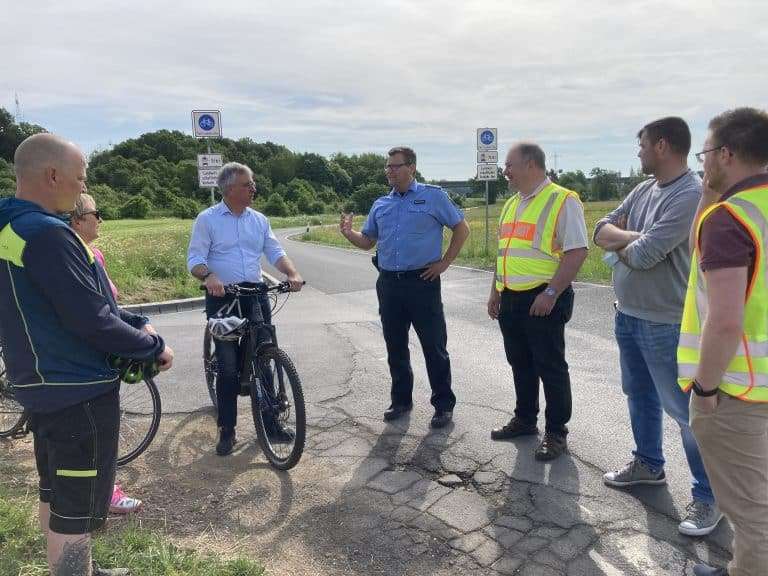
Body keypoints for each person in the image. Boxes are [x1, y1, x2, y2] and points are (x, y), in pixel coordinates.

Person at [0, 133, 174, 576]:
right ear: (52, 174)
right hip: (77, 391)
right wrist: (154, 345)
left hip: (39, 385)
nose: (83, 188)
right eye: (80, 178)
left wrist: (130, 323)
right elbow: (92, 321)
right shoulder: (47, 236)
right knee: (76, 508)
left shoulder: (9, 227)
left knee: (55, 492)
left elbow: (70, 306)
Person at [594, 117, 721, 536]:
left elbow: (648, 255)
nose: (639, 152)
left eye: (643, 145)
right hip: (627, 312)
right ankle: (648, 465)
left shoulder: (688, 194)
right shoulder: (644, 189)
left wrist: (625, 239)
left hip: (666, 322)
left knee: (685, 413)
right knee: (639, 396)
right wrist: (630, 236)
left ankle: (709, 498)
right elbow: (601, 228)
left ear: (663, 146)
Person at [679, 107, 768, 576]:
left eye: (707, 152)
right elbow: (700, 251)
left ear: (727, 153)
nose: (703, 162)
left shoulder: (730, 218)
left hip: (739, 390)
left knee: (752, 512)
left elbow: (725, 320)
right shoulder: (743, 211)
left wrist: (706, 390)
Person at [340, 146, 470, 429]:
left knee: (434, 346)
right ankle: (401, 401)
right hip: (388, 284)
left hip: (422, 282)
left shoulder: (433, 196)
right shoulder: (381, 205)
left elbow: (462, 229)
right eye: (388, 167)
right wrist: (349, 233)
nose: (390, 171)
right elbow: (368, 241)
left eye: (395, 166)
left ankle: (443, 405)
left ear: (411, 167)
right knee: (395, 345)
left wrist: (444, 263)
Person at [187, 161, 304, 456]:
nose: (254, 188)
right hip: (223, 297)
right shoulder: (208, 219)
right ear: (229, 188)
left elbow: (275, 251)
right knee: (227, 368)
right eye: (247, 184)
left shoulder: (259, 220)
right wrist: (209, 276)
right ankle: (227, 430)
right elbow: (195, 259)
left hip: (255, 295)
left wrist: (291, 274)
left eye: (252, 184)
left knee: (266, 359)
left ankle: (271, 424)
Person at [488, 142, 588, 461]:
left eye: (510, 165)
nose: (506, 171)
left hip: (543, 297)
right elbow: (504, 253)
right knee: (521, 364)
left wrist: (551, 293)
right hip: (511, 299)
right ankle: (525, 420)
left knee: (551, 367)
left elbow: (577, 251)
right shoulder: (512, 204)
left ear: (531, 165)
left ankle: (557, 432)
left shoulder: (562, 200)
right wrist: (495, 291)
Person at [69, 193, 143, 516]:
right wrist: (145, 342)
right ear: (77, 220)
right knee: (97, 433)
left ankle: (101, 493)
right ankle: (103, 495)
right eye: (95, 213)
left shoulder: (94, 253)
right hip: (90, 361)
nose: (100, 219)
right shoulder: (72, 255)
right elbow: (96, 315)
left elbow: (110, 300)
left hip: (98, 354)